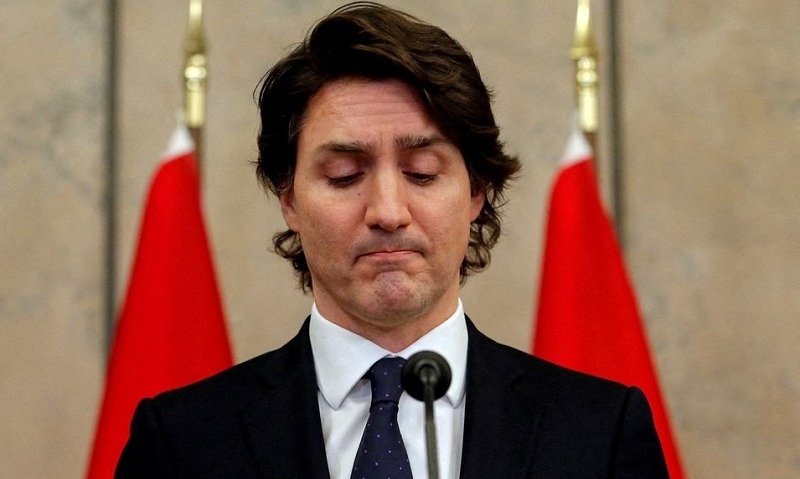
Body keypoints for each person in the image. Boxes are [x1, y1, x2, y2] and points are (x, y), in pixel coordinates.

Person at [116, 2, 669, 478]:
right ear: (289, 200)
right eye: (344, 176)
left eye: (423, 172)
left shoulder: (601, 433)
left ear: (476, 191)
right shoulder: (181, 442)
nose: (387, 212)